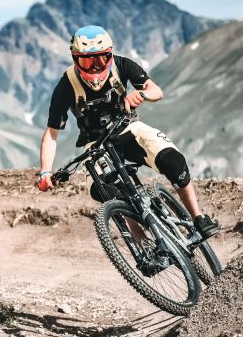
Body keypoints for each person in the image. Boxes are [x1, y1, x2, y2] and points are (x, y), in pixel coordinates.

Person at [37, 25, 219, 239]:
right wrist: (45, 171)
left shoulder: (123, 65)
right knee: (105, 190)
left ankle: (198, 217)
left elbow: (156, 91)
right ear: (75, 58)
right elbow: (51, 134)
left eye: (100, 60)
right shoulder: (66, 86)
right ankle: (139, 239)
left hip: (128, 127)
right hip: (95, 144)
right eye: (88, 61)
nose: (95, 68)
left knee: (173, 161)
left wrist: (141, 94)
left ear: (110, 55)